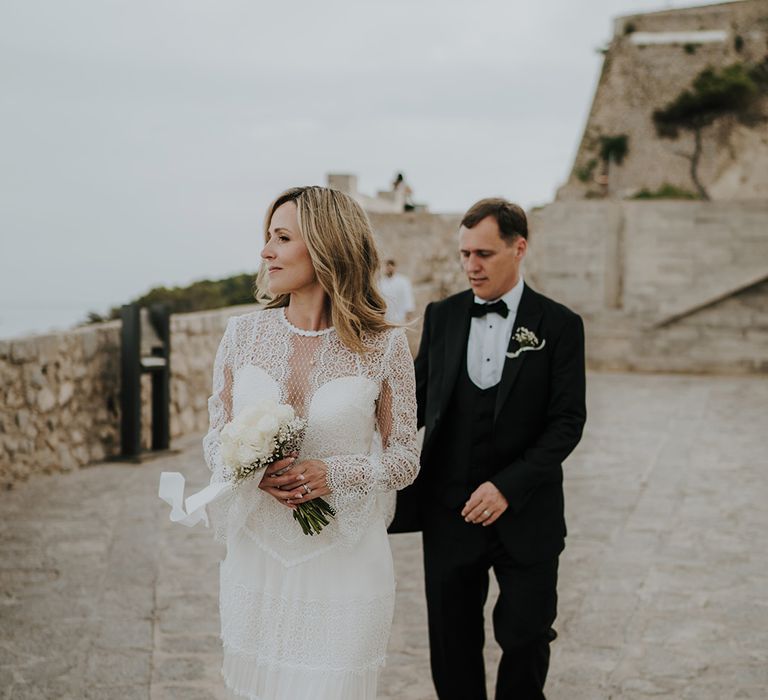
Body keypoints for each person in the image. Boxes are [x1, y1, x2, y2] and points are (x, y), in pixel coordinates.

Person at [204, 186, 419, 700]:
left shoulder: (383, 346)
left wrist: (335, 473)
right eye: (267, 238)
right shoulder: (241, 336)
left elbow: (405, 458)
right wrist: (248, 467)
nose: (266, 251)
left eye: (282, 238)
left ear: (326, 246)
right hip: (257, 558)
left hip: (344, 561)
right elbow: (215, 438)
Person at [390, 197, 586, 700]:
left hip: (527, 513)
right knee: (451, 643)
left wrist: (507, 486)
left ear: (519, 248)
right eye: (464, 254)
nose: (471, 266)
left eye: (484, 254)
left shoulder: (559, 325)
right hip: (449, 511)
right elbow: (411, 401)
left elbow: (567, 423)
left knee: (526, 636)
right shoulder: (443, 316)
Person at [379, 258, 416, 324]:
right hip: (387, 316)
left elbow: (408, 296)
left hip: (400, 315)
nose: (390, 268)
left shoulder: (403, 281)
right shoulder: (381, 282)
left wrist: (409, 311)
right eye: (388, 266)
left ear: (394, 267)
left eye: (392, 265)